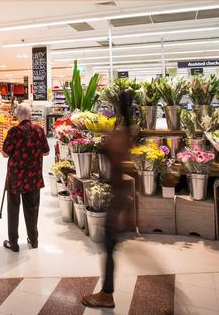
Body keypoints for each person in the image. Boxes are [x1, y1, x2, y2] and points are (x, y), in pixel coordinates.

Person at [82, 92, 134, 310]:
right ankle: (106, 291)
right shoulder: (127, 132)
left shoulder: (118, 136)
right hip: (121, 197)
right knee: (109, 247)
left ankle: (107, 294)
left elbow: (111, 162)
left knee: (109, 247)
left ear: (118, 109)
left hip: (116, 198)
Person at [1, 103, 49, 252]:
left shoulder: (14, 131)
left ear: (18, 115)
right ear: (30, 115)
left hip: (16, 177)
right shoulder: (39, 130)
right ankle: (33, 240)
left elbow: (4, 153)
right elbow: (46, 152)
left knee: (13, 209)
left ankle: (13, 243)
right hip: (33, 177)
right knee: (32, 208)